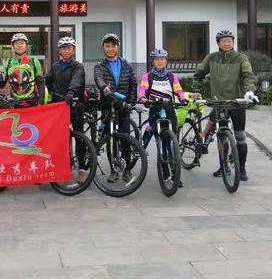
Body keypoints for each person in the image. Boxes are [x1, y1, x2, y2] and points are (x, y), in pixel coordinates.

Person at [193, 29, 257, 181]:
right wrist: (196, 90)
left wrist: (249, 91)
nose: (227, 43)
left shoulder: (241, 58)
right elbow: (199, 74)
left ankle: (241, 170)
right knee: (223, 136)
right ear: (218, 43)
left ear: (233, 42)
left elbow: (248, 75)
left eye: (229, 40)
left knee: (240, 137)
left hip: (237, 103)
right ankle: (224, 166)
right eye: (223, 41)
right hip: (219, 102)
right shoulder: (212, 58)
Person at [138, 48, 186, 187]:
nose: (160, 62)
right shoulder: (148, 76)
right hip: (155, 109)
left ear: (166, 61)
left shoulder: (172, 76)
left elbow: (178, 90)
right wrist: (141, 97)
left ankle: (175, 174)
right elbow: (143, 89)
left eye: (162, 59)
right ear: (152, 62)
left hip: (169, 110)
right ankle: (164, 171)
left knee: (171, 144)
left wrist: (182, 98)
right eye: (157, 59)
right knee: (159, 142)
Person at [94, 33, 137, 184]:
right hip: (108, 106)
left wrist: (131, 101)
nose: (110, 49)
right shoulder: (100, 66)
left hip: (124, 107)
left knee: (125, 138)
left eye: (113, 45)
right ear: (103, 48)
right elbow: (98, 78)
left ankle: (127, 170)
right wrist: (104, 87)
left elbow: (133, 85)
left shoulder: (126, 65)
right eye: (107, 46)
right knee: (110, 139)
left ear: (118, 47)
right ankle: (113, 170)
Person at [45, 36, 87, 183]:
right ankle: (64, 167)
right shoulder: (56, 66)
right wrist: (49, 90)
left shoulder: (78, 66)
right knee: (61, 139)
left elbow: (76, 80)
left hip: (75, 105)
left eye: (69, 48)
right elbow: (48, 80)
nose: (66, 50)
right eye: (63, 48)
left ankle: (82, 168)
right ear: (60, 51)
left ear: (73, 50)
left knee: (79, 137)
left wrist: (70, 92)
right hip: (59, 108)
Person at [0, 33, 45, 107]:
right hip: (15, 102)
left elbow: (41, 83)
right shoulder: (8, 63)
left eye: (22, 43)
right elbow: (0, 86)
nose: (19, 45)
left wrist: (41, 102)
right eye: (16, 43)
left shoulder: (34, 61)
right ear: (13, 46)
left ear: (26, 46)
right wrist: (0, 79)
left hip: (32, 102)